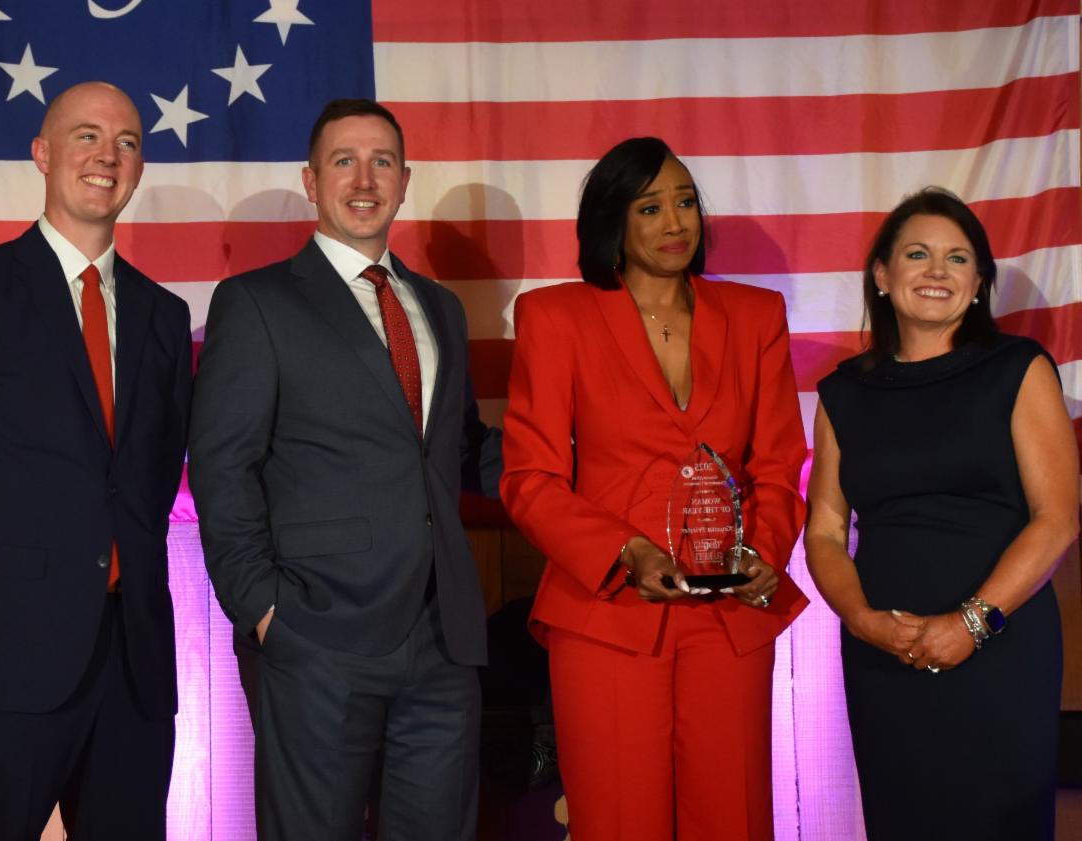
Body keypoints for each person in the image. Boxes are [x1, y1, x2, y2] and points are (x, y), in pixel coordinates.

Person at [188, 98, 501, 841]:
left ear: (405, 181)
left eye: (382, 162)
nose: (365, 179)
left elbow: (456, 448)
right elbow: (223, 468)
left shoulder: (441, 308)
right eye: (344, 161)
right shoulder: (256, 303)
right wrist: (264, 609)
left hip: (443, 639)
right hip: (315, 635)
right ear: (311, 180)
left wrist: (588, 463)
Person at [0, 81, 192, 840]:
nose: (107, 155)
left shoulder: (165, 315)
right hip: (2, 654)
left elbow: (151, 482)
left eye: (127, 143)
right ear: (42, 154)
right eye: (87, 135)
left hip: (134, 663)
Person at [500, 136, 809, 840]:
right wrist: (627, 551)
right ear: (612, 220)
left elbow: (778, 461)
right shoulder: (556, 317)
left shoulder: (756, 315)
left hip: (730, 610)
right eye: (650, 207)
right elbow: (529, 479)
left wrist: (762, 550)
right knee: (617, 820)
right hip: (609, 608)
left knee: (732, 819)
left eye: (686, 202)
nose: (675, 223)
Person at [805, 188, 1077, 840]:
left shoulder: (1018, 369)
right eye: (917, 254)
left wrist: (972, 623)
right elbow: (825, 530)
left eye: (957, 258)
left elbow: (1057, 518)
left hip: (1001, 647)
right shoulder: (844, 392)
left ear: (978, 283)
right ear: (882, 274)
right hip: (884, 655)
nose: (937, 270)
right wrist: (863, 620)